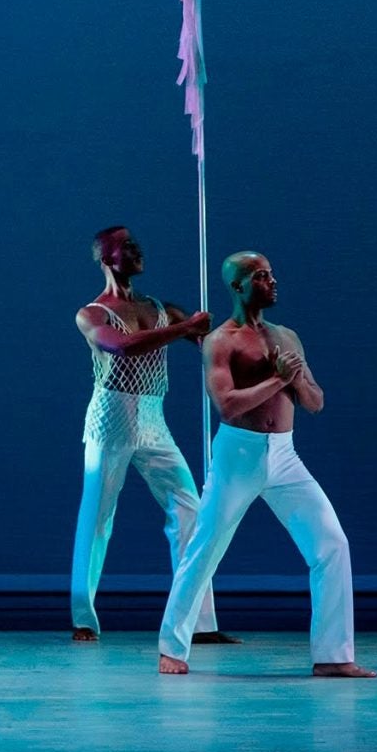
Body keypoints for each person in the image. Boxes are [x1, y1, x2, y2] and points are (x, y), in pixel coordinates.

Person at [155, 251, 372, 678]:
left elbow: (315, 401)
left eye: (271, 273)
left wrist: (294, 380)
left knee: (332, 544)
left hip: (285, 456)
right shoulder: (222, 341)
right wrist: (276, 379)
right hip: (238, 455)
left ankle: (333, 656)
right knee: (205, 548)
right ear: (238, 286)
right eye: (260, 276)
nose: (272, 281)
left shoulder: (287, 337)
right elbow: (228, 405)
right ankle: (172, 648)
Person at [68, 224, 234, 645]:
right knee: (98, 517)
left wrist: (210, 335)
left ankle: (198, 622)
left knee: (191, 511)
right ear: (107, 258)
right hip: (110, 419)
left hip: (153, 418)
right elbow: (122, 347)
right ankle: (83, 616)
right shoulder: (92, 313)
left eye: (137, 243)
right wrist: (184, 329)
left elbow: (208, 342)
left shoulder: (161, 308)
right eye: (127, 246)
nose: (137, 249)